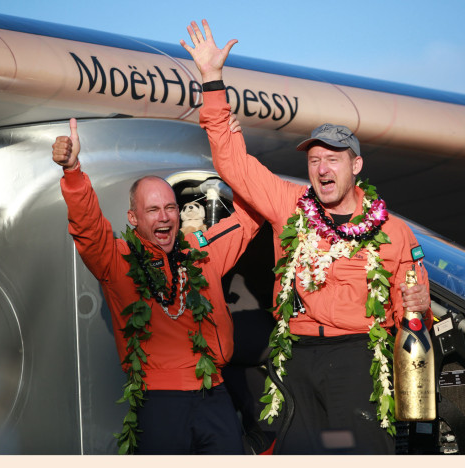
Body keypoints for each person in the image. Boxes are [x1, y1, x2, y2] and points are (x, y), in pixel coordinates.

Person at [181, 20, 433, 454]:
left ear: (356, 166)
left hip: (358, 361)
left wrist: (420, 309)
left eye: (333, 159)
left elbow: (412, 320)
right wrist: (211, 80)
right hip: (295, 356)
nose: (322, 169)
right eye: (315, 159)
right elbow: (232, 162)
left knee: (359, 453)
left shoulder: (393, 232)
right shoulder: (288, 204)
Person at [52, 116, 264, 455]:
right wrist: (73, 170)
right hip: (160, 402)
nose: (164, 217)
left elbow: (249, 217)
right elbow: (89, 229)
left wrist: (235, 152)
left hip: (215, 395)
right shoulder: (117, 260)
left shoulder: (201, 251)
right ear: (133, 218)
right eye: (152, 210)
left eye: (169, 207)